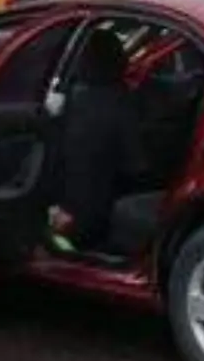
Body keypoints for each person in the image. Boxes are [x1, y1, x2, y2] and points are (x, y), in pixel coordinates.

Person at [49, 31, 146, 254]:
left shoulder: (64, 104)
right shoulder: (123, 106)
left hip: (64, 215)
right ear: (120, 61)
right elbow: (136, 166)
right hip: (99, 221)